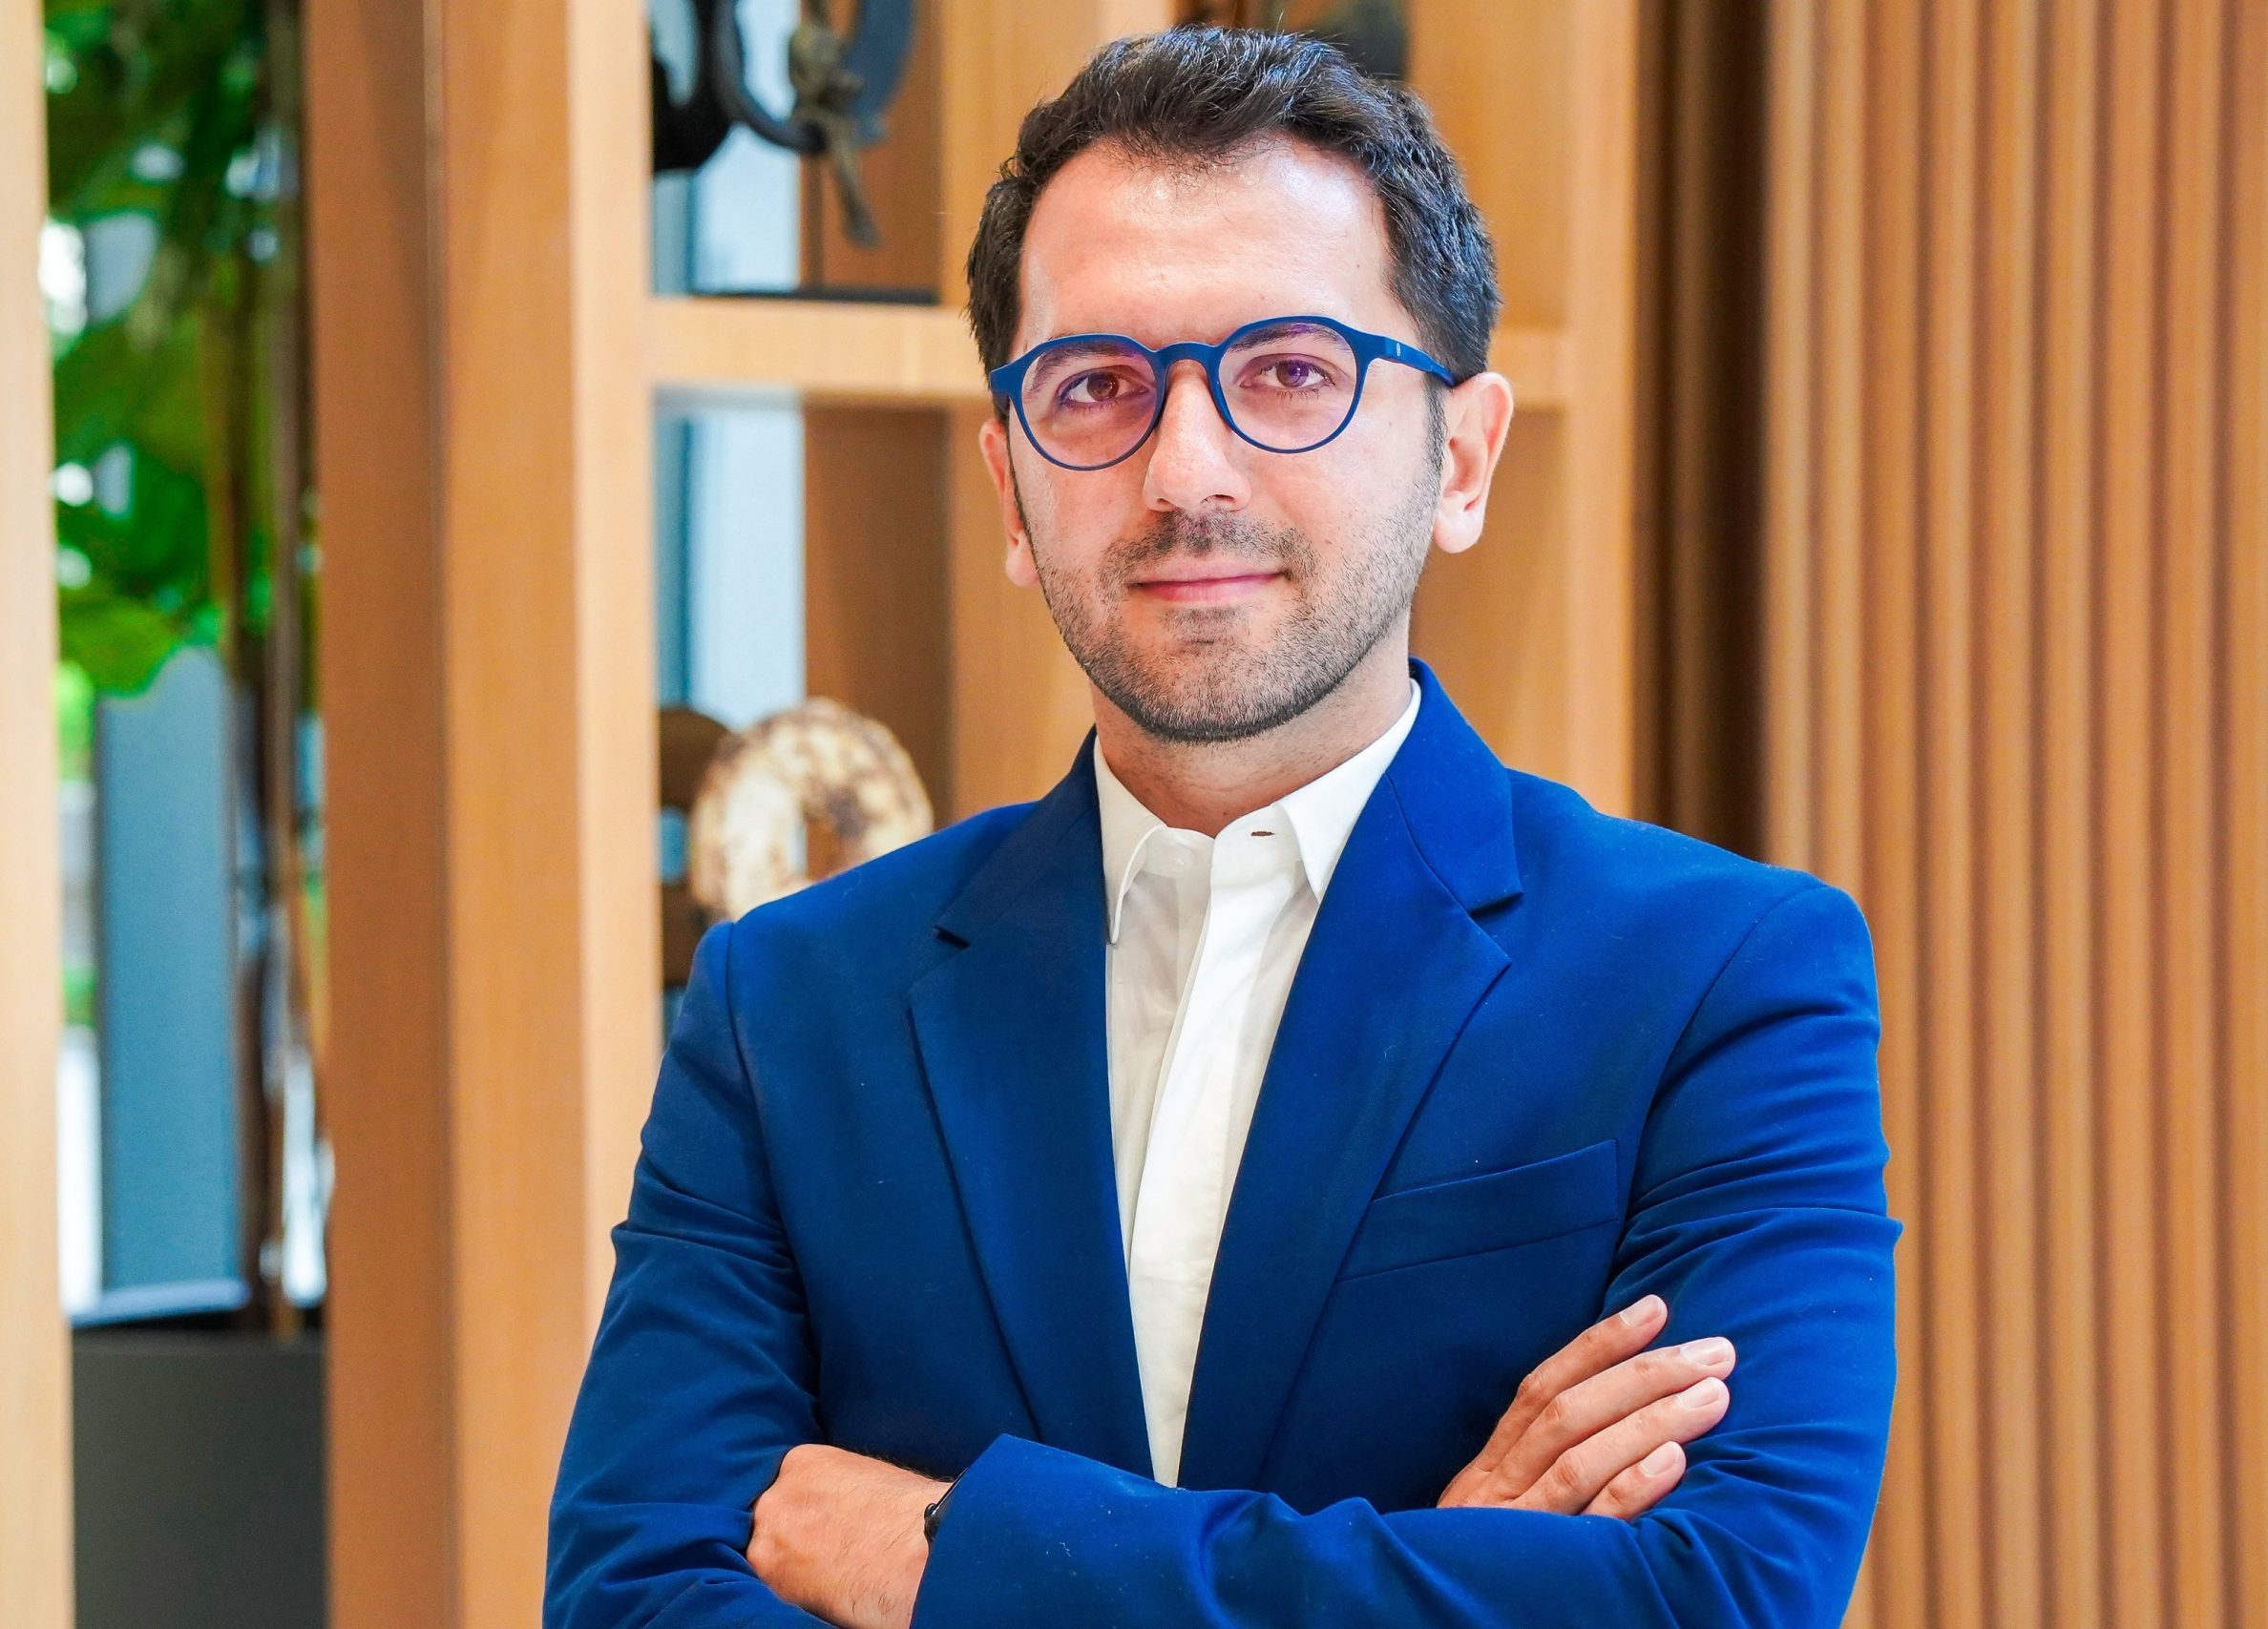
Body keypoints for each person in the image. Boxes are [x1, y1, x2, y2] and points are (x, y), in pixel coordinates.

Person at [547, 25, 1900, 1629]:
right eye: (1096, 387)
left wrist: (948, 1556)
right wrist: (1440, 1569)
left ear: (1462, 458)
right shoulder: (788, 1003)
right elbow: (634, 1598)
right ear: (1010, 488)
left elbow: (1719, 1597)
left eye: (1291, 374)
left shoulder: (1721, 979)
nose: (1186, 471)